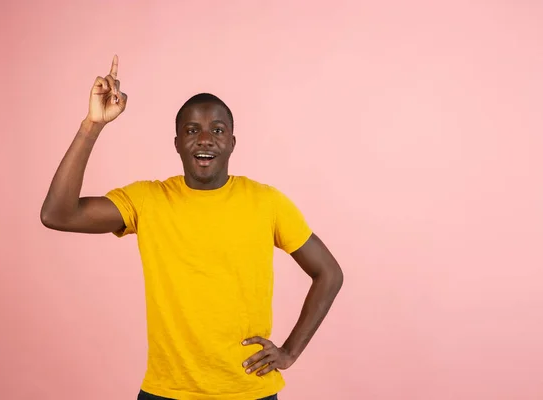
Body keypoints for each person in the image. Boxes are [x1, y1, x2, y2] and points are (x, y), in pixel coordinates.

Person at [40, 55, 344, 400]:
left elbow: (329, 273)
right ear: (176, 144)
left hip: (248, 391)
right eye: (191, 130)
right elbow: (58, 215)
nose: (204, 139)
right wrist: (92, 124)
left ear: (231, 142)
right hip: (166, 392)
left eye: (217, 130)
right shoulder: (147, 200)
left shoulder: (267, 202)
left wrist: (290, 351)